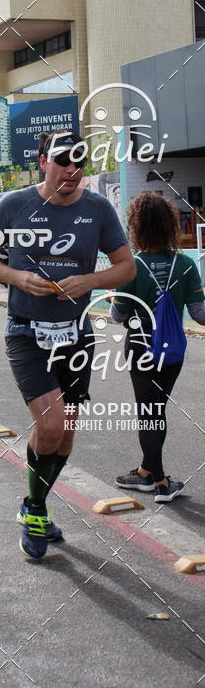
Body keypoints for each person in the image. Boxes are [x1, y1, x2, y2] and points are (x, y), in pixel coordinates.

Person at [0, 131, 135, 560]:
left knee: (65, 435)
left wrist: (91, 280)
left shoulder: (97, 208)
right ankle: (35, 509)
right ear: (43, 161)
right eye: (63, 160)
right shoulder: (14, 204)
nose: (72, 170)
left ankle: (36, 505)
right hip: (26, 332)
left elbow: (126, 267)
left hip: (77, 334)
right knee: (49, 425)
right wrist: (16, 276)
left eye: (79, 162)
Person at [110, 192, 205, 502]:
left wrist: (116, 295)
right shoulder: (186, 264)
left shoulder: (131, 267)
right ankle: (146, 472)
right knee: (157, 409)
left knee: (149, 412)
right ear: (169, 226)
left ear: (136, 227)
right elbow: (200, 315)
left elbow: (118, 315)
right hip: (173, 351)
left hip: (141, 349)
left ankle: (160, 482)